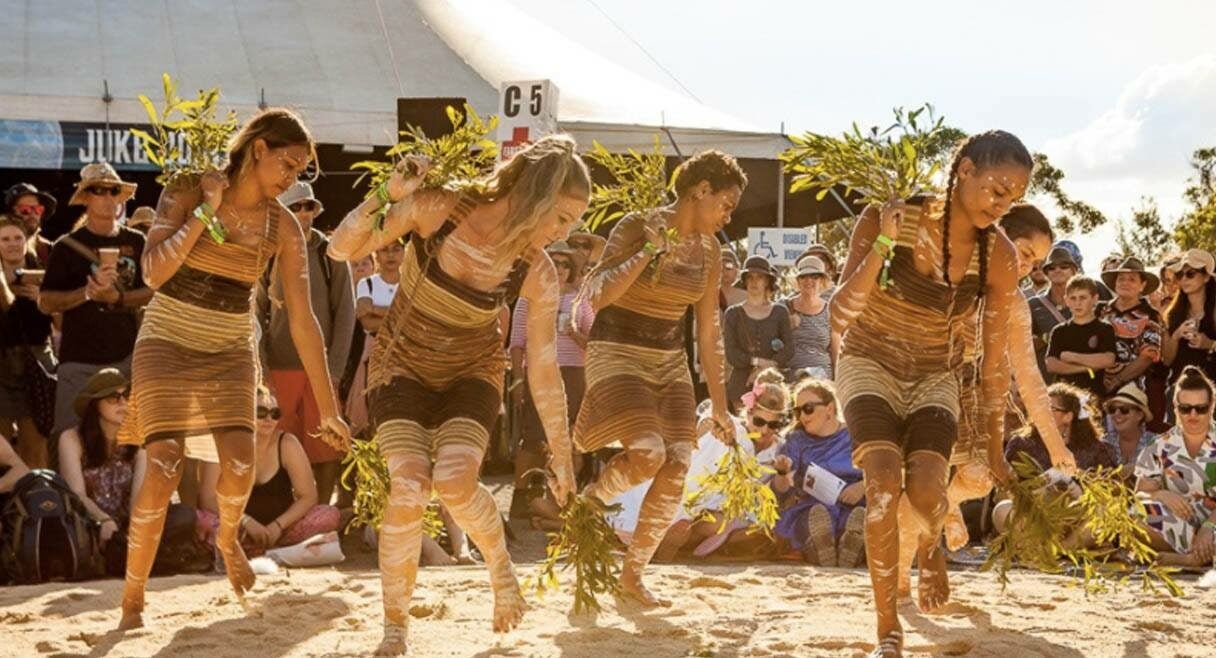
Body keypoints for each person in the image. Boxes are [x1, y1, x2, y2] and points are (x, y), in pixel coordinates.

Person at [327, 135, 586, 654]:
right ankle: (395, 625)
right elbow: (339, 246)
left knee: (453, 479)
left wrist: (562, 455)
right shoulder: (438, 208)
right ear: (535, 194)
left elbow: (542, 370)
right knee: (408, 487)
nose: (562, 235)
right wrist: (389, 193)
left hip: (472, 372)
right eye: (561, 219)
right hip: (400, 366)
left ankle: (499, 565)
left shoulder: (537, 270)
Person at [115, 109, 350, 630]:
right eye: (287, 163)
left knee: (241, 462)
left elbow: (307, 319)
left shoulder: (282, 227)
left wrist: (329, 408)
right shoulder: (184, 190)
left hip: (229, 345)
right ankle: (132, 596)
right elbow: (153, 273)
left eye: (301, 171)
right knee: (164, 465)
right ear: (258, 148)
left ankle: (227, 539)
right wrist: (208, 210)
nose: (291, 178)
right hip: (168, 335)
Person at [830, 130, 1028, 657]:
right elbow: (840, 313)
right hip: (869, 361)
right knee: (882, 485)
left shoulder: (1000, 255)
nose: (1002, 204)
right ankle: (888, 629)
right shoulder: (887, 218)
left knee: (924, 492)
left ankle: (931, 542)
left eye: (1013, 198)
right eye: (996, 189)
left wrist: (992, 440)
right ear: (963, 170)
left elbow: (993, 358)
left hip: (935, 375)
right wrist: (881, 244)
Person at [576, 148, 742, 607]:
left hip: (669, 360)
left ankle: (632, 577)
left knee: (678, 464)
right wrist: (649, 250)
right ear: (700, 190)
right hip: (617, 351)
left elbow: (709, 333)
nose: (728, 216)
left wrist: (722, 406)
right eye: (726, 204)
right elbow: (597, 296)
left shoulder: (711, 251)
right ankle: (591, 501)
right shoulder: (635, 225)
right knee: (647, 453)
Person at [927, 203, 1070, 561]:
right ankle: (917, 565)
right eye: (1023, 253)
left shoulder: (1018, 304)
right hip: (925, 378)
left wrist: (1056, 446)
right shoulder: (949, 269)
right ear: (998, 235)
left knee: (981, 475)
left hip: (976, 391)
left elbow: (1030, 376)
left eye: (1035, 263)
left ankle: (950, 501)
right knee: (923, 478)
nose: (1026, 267)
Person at [39, 163, 153, 441]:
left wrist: (120, 298)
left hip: (127, 359)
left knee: (130, 441)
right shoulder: (66, 246)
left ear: (120, 197)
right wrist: (86, 293)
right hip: (79, 362)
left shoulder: (138, 241)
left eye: (113, 190)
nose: (106, 196)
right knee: (69, 439)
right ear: (86, 197)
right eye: (97, 190)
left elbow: (156, 290)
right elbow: (45, 302)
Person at [259, 181, 355, 505]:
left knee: (327, 447)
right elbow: (255, 313)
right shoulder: (267, 252)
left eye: (308, 207)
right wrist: (261, 370)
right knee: (280, 444)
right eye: (295, 207)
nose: (303, 213)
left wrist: (336, 370)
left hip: (322, 369)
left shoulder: (332, 253)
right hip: (278, 366)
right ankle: (288, 512)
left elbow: (346, 315)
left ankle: (320, 513)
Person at [57, 369, 199, 576]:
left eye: (127, 396)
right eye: (114, 397)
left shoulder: (139, 439)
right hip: (90, 523)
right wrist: (104, 520)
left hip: (126, 529)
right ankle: (142, 561)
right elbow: (76, 495)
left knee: (184, 516)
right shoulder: (71, 438)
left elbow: (138, 500)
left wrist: (134, 532)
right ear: (95, 404)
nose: (123, 403)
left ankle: (128, 557)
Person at [196, 387, 340, 556]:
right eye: (261, 412)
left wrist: (277, 526)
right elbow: (207, 499)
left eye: (275, 413)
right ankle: (259, 549)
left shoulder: (287, 443)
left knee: (328, 515)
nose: (269, 419)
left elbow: (308, 496)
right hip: (235, 526)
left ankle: (254, 550)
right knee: (199, 521)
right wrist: (246, 522)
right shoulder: (223, 443)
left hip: (281, 530)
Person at [509, 240, 594, 498]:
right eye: (553, 262)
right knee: (534, 437)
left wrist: (574, 332)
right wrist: (517, 381)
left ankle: (562, 497)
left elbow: (594, 343)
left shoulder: (581, 300)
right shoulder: (528, 298)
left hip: (574, 373)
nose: (558, 268)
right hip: (538, 373)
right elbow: (516, 344)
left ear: (571, 269)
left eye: (564, 264)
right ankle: (521, 497)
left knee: (571, 439)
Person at [992, 383, 1119, 545]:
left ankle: (1064, 549)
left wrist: (1075, 488)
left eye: (1049, 408)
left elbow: (1109, 491)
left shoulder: (1097, 449)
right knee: (1002, 510)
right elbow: (1007, 488)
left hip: (1078, 518)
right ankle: (1038, 548)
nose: (1040, 412)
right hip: (1035, 516)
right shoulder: (1022, 443)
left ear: (1068, 416)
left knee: (1105, 513)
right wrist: (1043, 484)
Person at [772, 378, 865, 567]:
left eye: (808, 409)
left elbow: (883, 469)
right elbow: (781, 490)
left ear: (829, 409)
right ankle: (821, 547)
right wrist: (782, 473)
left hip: (855, 500)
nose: (802, 417)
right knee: (815, 517)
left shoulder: (857, 435)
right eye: (797, 411)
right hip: (815, 504)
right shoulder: (797, 440)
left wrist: (863, 486)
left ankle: (852, 545)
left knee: (857, 515)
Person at [1134, 366, 1216, 568]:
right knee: (1137, 514)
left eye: (1201, 408)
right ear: (1175, 406)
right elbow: (1140, 493)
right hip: (1179, 526)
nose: (1193, 414)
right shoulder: (1159, 446)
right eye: (1186, 408)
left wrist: (1208, 526)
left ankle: (1190, 558)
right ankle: (1198, 555)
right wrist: (1161, 495)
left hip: (1213, 525)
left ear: (1212, 405)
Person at [0, 216, 54, 468]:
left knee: (36, 440)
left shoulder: (43, 269)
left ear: (27, 240)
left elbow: (62, 324)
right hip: (2, 363)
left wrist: (44, 300)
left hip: (37, 361)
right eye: (5, 239)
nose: (12, 244)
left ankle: (38, 500)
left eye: (18, 238)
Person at [345, 241, 403, 436]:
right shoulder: (367, 283)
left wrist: (375, 310)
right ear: (377, 255)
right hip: (374, 351)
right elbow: (367, 322)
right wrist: (399, 315)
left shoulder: (411, 283)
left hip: (408, 352)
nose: (391, 255)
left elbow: (415, 318)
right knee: (373, 407)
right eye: (384, 250)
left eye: (396, 249)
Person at [723, 255, 794, 409]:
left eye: (760, 277)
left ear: (767, 281)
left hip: (774, 383)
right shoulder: (733, 313)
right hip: (742, 383)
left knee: (772, 427)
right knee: (745, 431)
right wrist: (757, 362)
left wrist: (765, 369)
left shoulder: (780, 311)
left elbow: (789, 349)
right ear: (745, 280)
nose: (754, 281)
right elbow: (731, 353)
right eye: (750, 277)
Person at [1098, 257, 1163, 393]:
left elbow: (1148, 356)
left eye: (1132, 279)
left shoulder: (1151, 315)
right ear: (1115, 283)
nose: (1125, 283)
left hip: (1132, 391)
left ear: (1142, 285)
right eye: (1121, 278)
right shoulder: (1099, 310)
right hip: (1094, 385)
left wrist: (1117, 380)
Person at [1045, 275, 1117, 398]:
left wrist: (1071, 356)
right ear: (1066, 300)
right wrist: (1087, 368)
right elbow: (1052, 365)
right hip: (1064, 396)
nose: (1077, 303)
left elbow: (1108, 359)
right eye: (1073, 298)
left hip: (1093, 395)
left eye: (1083, 298)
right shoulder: (1059, 331)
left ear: (1095, 299)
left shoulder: (1104, 329)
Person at [1161, 249, 1216, 385]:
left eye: (1190, 274)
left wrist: (1209, 344)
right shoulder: (1173, 313)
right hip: (1180, 390)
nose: (1184, 279)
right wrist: (1176, 336)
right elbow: (1166, 360)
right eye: (1180, 275)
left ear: (1206, 277)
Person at [1028, 246, 1079, 377]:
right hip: (1047, 378)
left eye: (1064, 266)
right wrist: (1046, 338)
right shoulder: (1033, 304)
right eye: (1052, 268)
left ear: (1074, 271)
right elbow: (1022, 345)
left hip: (1083, 374)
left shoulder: (1088, 300)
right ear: (1046, 273)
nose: (1057, 270)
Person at [784, 255, 835, 380]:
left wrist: (838, 381)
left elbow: (835, 349)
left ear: (822, 281)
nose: (809, 281)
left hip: (822, 376)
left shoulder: (830, 310)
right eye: (804, 276)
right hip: (792, 374)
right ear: (798, 281)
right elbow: (772, 342)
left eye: (814, 277)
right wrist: (786, 327)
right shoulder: (784, 306)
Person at [1101, 382, 1158, 477]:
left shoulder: (1157, 443)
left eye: (1124, 410)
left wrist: (1136, 468)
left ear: (1140, 415)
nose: (1116, 414)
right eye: (1112, 409)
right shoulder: (1104, 443)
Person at [5, 182, 57, 265]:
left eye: (38, 209)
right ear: (11, 213)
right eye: (25, 210)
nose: (33, 215)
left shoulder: (48, 249)